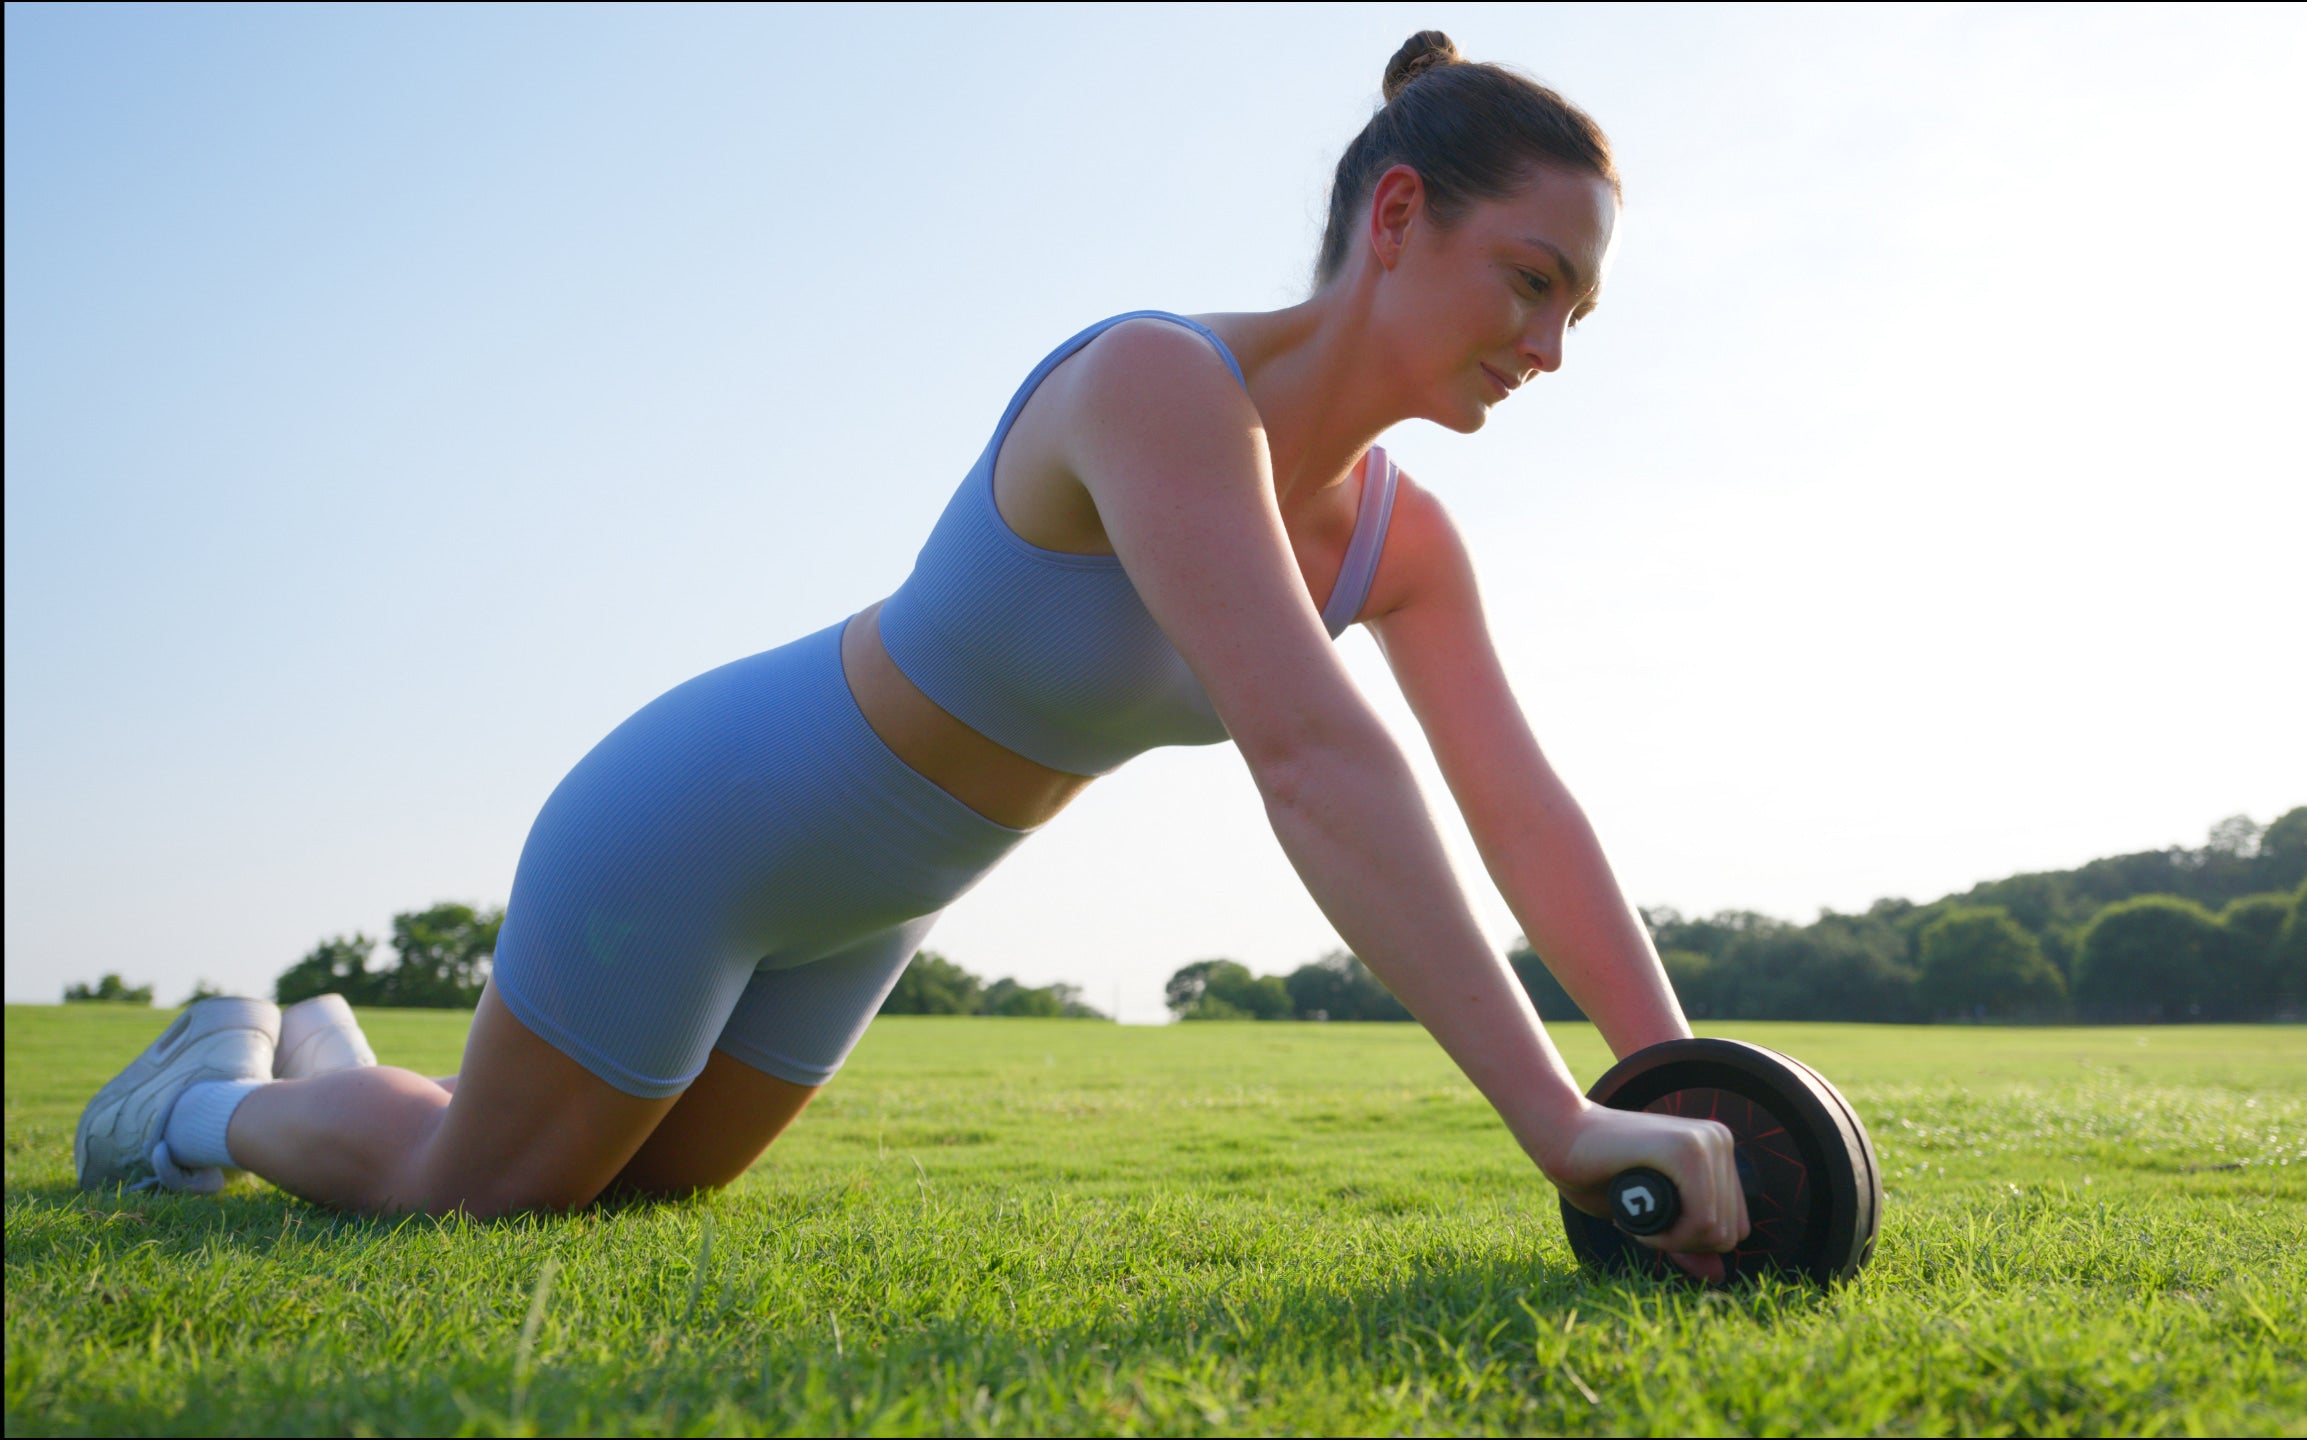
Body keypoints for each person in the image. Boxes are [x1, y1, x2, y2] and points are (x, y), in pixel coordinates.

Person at [78, 31, 1749, 1274]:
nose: (1548, 347)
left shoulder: (1413, 545)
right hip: (708, 821)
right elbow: (1313, 754)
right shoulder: (1156, 387)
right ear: (1399, 215)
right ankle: (197, 1103)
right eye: (1531, 283)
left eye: (1576, 313)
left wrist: (1687, 1083)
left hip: (879, 904)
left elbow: (1524, 817)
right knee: (485, 1199)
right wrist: (1555, 1118)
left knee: (648, 1194)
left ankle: (322, 1044)